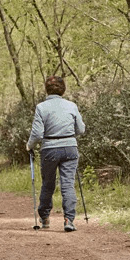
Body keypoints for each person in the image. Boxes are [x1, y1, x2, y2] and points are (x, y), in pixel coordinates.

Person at [27, 75, 86, 232]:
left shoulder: (41, 107)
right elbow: (81, 129)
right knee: (68, 184)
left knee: (48, 183)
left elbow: (37, 134)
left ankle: (44, 217)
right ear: (63, 89)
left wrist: (29, 146)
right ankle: (69, 220)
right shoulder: (71, 106)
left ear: (46, 90)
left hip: (49, 149)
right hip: (70, 147)